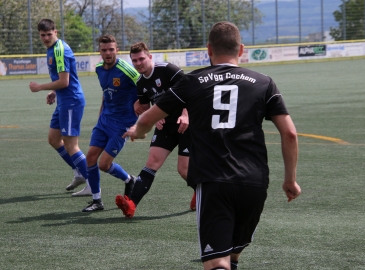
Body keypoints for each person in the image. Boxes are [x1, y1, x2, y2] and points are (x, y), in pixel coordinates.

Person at [123, 22, 301, 270]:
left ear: (208, 49)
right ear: (241, 49)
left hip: (214, 180)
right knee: (234, 256)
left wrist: (139, 131)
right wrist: (290, 180)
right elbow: (290, 133)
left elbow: (147, 118)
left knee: (218, 262)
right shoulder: (264, 82)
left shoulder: (193, 81)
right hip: (254, 182)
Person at [114, 42, 196, 218]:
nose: (138, 63)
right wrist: (153, 117)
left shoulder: (168, 69)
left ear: (150, 57)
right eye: (134, 61)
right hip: (165, 125)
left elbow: (191, 91)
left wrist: (186, 114)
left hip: (186, 124)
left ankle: (203, 192)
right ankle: (131, 204)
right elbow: (144, 106)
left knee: (184, 170)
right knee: (152, 161)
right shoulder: (141, 82)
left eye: (141, 59)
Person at [79, 34, 140, 212]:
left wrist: (140, 107)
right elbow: (106, 94)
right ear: (99, 50)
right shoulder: (99, 69)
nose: (108, 53)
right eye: (104, 50)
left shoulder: (127, 70)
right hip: (104, 121)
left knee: (104, 164)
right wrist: (100, 117)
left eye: (111, 49)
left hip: (122, 124)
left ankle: (130, 179)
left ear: (117, 50)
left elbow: (145, 86)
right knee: (90, 157)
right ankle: (97, 201)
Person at [29, 19, 89, 195]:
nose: (46, 38)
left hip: (71, 101)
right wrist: (54, 92)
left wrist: (40, 87)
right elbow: (61, 81)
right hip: (63, 99)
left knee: (72, 145)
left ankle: (93, 184)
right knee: (54, 140)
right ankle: (79, 172)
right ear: (39, 35)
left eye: (49, 34)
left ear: (56, 32)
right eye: (43, 35)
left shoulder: (59, 50)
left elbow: (64, 81)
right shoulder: (52, 49)